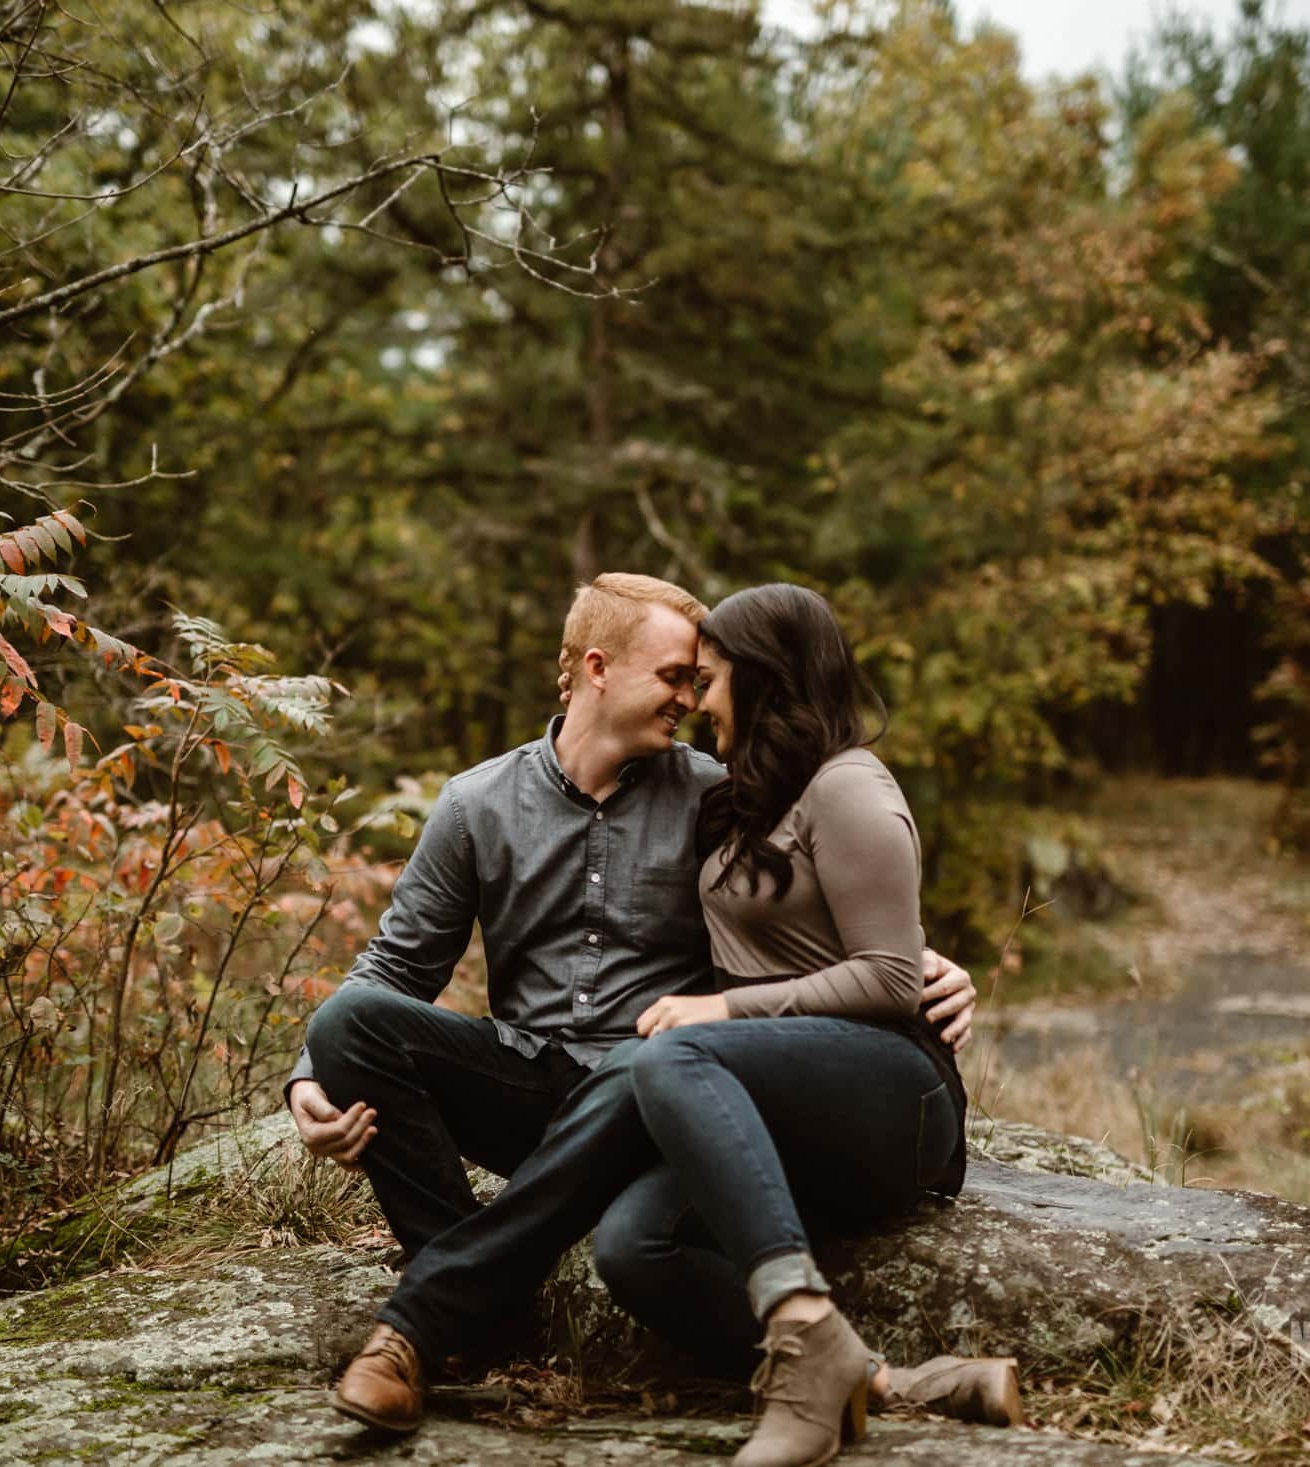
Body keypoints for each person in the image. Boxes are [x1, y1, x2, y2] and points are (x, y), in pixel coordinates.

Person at [303, 576, 996, 1452]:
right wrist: (305, 1079)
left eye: (702, 679)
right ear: (599, 668)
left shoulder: (720, 793)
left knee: (654, 1066)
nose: (692, 697)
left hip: (663, 1087)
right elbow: (394, 966)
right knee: (349, 1024)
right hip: (547, 1084)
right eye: (675, 675)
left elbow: (826, 922)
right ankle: (493, 1298)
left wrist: (928, 967)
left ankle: (426, 1320)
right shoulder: (477, 802)